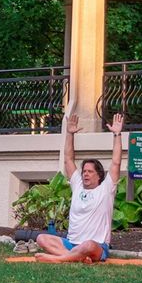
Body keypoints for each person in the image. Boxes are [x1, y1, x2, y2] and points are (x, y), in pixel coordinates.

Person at [34, 112, 124, 263]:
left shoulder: (106, 189)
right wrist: (69, 134)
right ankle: (75, 258)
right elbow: (68, 159)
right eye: (84, 172)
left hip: (96, 246)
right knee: (41, 238)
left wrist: (117, 135)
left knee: (88, 245)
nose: (85, 175)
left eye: (90, 172)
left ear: (99, 175)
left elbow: (116, 162)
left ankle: (60, 259)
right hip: (71, 244)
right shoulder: (78, 185)